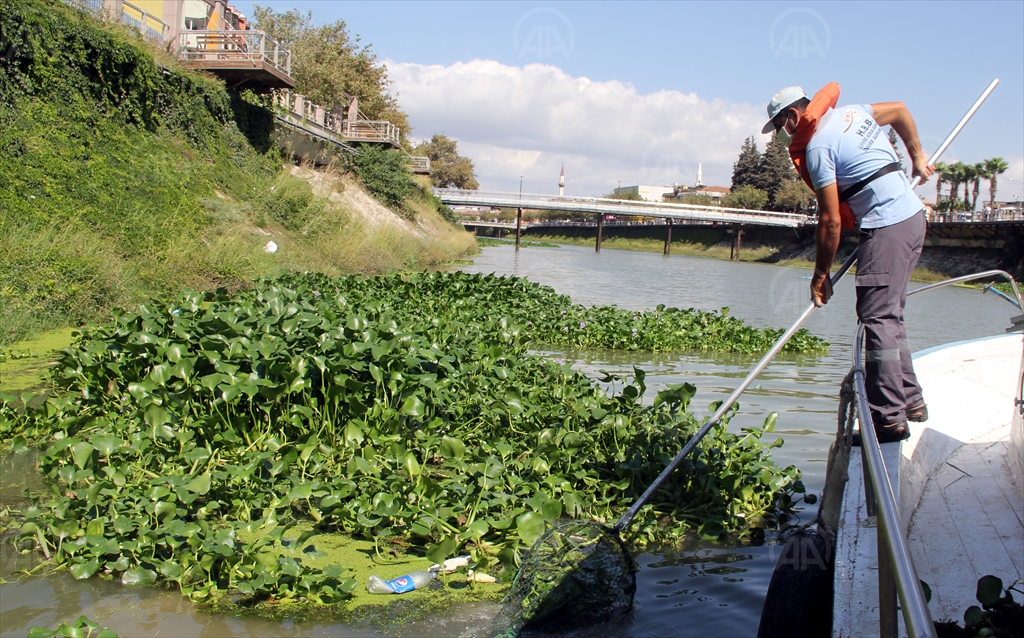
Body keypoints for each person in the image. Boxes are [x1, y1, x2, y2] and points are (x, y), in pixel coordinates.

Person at [761, 85, 933, 442]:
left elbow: (830, 221)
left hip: (888, 225)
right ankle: (911, 402)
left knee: (877, 319)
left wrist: (820, 275)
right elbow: (901, 108)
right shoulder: (854, 112)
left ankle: (887, 421)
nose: (787, 135)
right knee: (890, 316)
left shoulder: (819, 147)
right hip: (912, 217)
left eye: (783, 127)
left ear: (793, 116)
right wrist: (917, 156)